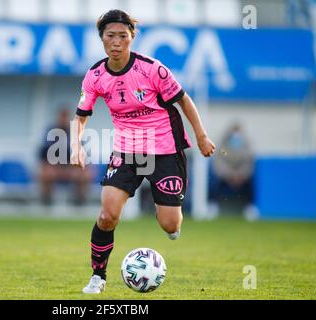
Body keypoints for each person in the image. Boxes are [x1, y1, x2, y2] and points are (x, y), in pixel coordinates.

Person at [71, 10, 216, 294]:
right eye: (110, 36)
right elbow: (81, 115)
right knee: (107, 214)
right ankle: (98, 276)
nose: (116, 42)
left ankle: (172, 217)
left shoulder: (152, 69)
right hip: (127, 151)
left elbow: (184, 101)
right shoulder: (95, 75)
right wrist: (76, 146)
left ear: (132, 38)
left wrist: (201, 135)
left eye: (122, 36)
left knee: (169, 225)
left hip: (165, 148)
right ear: (101, 38)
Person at [38, 108, 93, 206]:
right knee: (47, 174)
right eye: (61, 116)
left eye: (66, 116)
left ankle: (79, 202)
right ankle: (46, 203)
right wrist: (56, 168)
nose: (63, 119)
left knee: (84, 174)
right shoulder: (50, 132)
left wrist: (71, 168)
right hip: (54, 168)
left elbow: (82, 156)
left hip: (71, 168)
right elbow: (43, 155)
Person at [210, 122, 255, 215]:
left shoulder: (246, 147)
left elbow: (248, 162)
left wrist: (240, 175)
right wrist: (229, 174)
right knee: (215, 182)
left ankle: (250, 208)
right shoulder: (223, 148)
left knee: (251, 184)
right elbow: (220, 160)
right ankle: (212, 206)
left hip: (242, 177)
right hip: (226, 176)